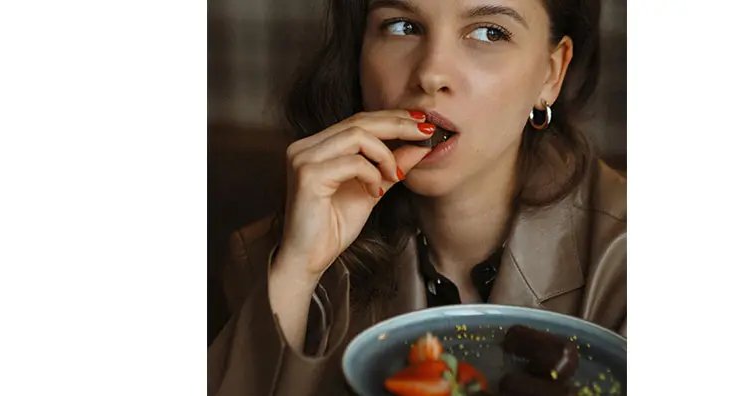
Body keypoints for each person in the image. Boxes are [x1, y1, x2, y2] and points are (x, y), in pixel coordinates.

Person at [208, 0, 625, 394]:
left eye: (489, 32)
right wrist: (298, 271)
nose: (430, 73)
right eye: (402, 26)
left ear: (551, 73)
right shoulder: (270, 257)